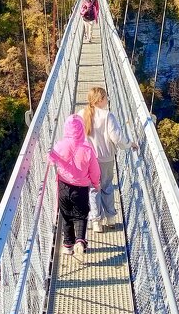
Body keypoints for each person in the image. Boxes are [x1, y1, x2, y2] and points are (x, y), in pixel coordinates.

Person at [49, 113, 100, 261]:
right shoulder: (87, 149)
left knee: (66, 216)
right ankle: (80, 241)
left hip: (63, 186)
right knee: (81, 215)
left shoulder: (59, 145)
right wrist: (96, 184)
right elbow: (95, 171)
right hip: (81, 189)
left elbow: (52, 160)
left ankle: (67, 246)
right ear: (82, 130)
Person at [83, 86, 135, 233]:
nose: (107, 100)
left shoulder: (81, 114)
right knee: (106, 186)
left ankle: (96, 222)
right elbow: (117, 138)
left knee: (93, 188)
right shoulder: (107, 116)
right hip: (105, 159)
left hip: (88, 160)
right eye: (106, 97)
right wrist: (130, 144)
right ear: (100, 100)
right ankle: (111, 218)